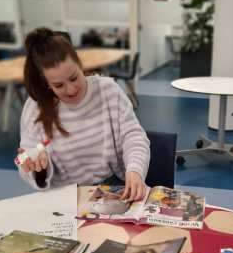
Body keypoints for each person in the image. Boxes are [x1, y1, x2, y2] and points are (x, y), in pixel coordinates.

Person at [17, 27, 150, 201]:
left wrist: (134, 170)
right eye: (58, 85)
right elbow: (26, 160)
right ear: (46, 83)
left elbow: (133, 136)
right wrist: (39, 168)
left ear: (80, 65)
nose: (71, 90)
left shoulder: (108, 90)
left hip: (111, 187)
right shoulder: (35, 108)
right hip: (64, 197)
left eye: (74, 78)